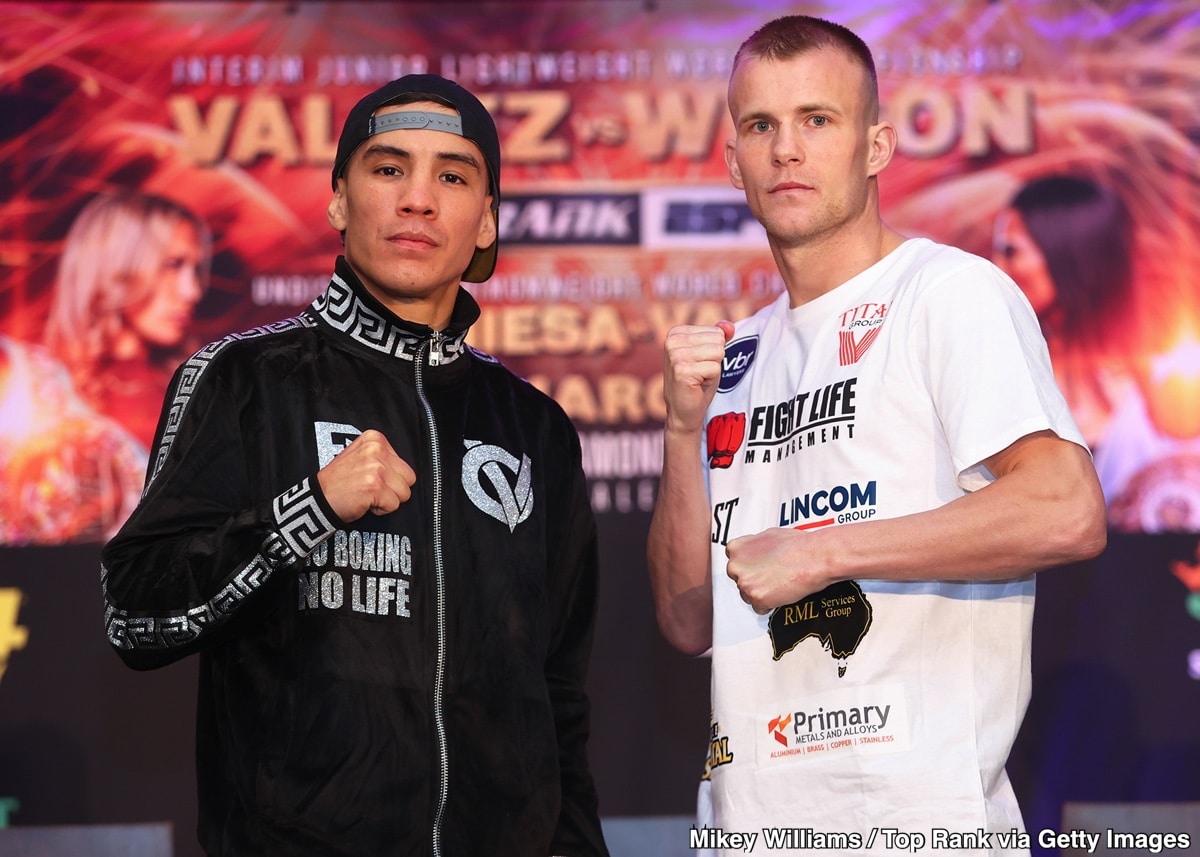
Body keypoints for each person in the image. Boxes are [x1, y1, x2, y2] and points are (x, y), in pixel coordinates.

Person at [101, 74, 610, 857]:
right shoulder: (243, 382)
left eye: (452, 177)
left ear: (486, 221)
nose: (418, 199)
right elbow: (134, 615)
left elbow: (559, 703)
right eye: (388, 168)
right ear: (340, 200)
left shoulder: (535, 428)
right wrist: (306, 509)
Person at [647, 15, 1106, 852]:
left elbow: (1067, 509)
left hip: (919, 825)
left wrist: (824, 550)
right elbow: (688, 620)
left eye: (817, 119)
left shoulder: (948, 293)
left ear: (876, 147)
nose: (787, 149)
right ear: (735, 161)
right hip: (745, 827)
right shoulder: (735, 356)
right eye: (762, 125)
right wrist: (682, 433)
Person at [44, 191, 210, 449]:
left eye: (195, 269)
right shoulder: (41, 390)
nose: (192, 291)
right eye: (173, 264)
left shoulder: (194, 392)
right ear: (115, 266)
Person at [992, 175, 1136, 444]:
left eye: (1011, 251)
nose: (996, 268)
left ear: (1066, 254)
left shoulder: (1161, 384)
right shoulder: (999, 375)